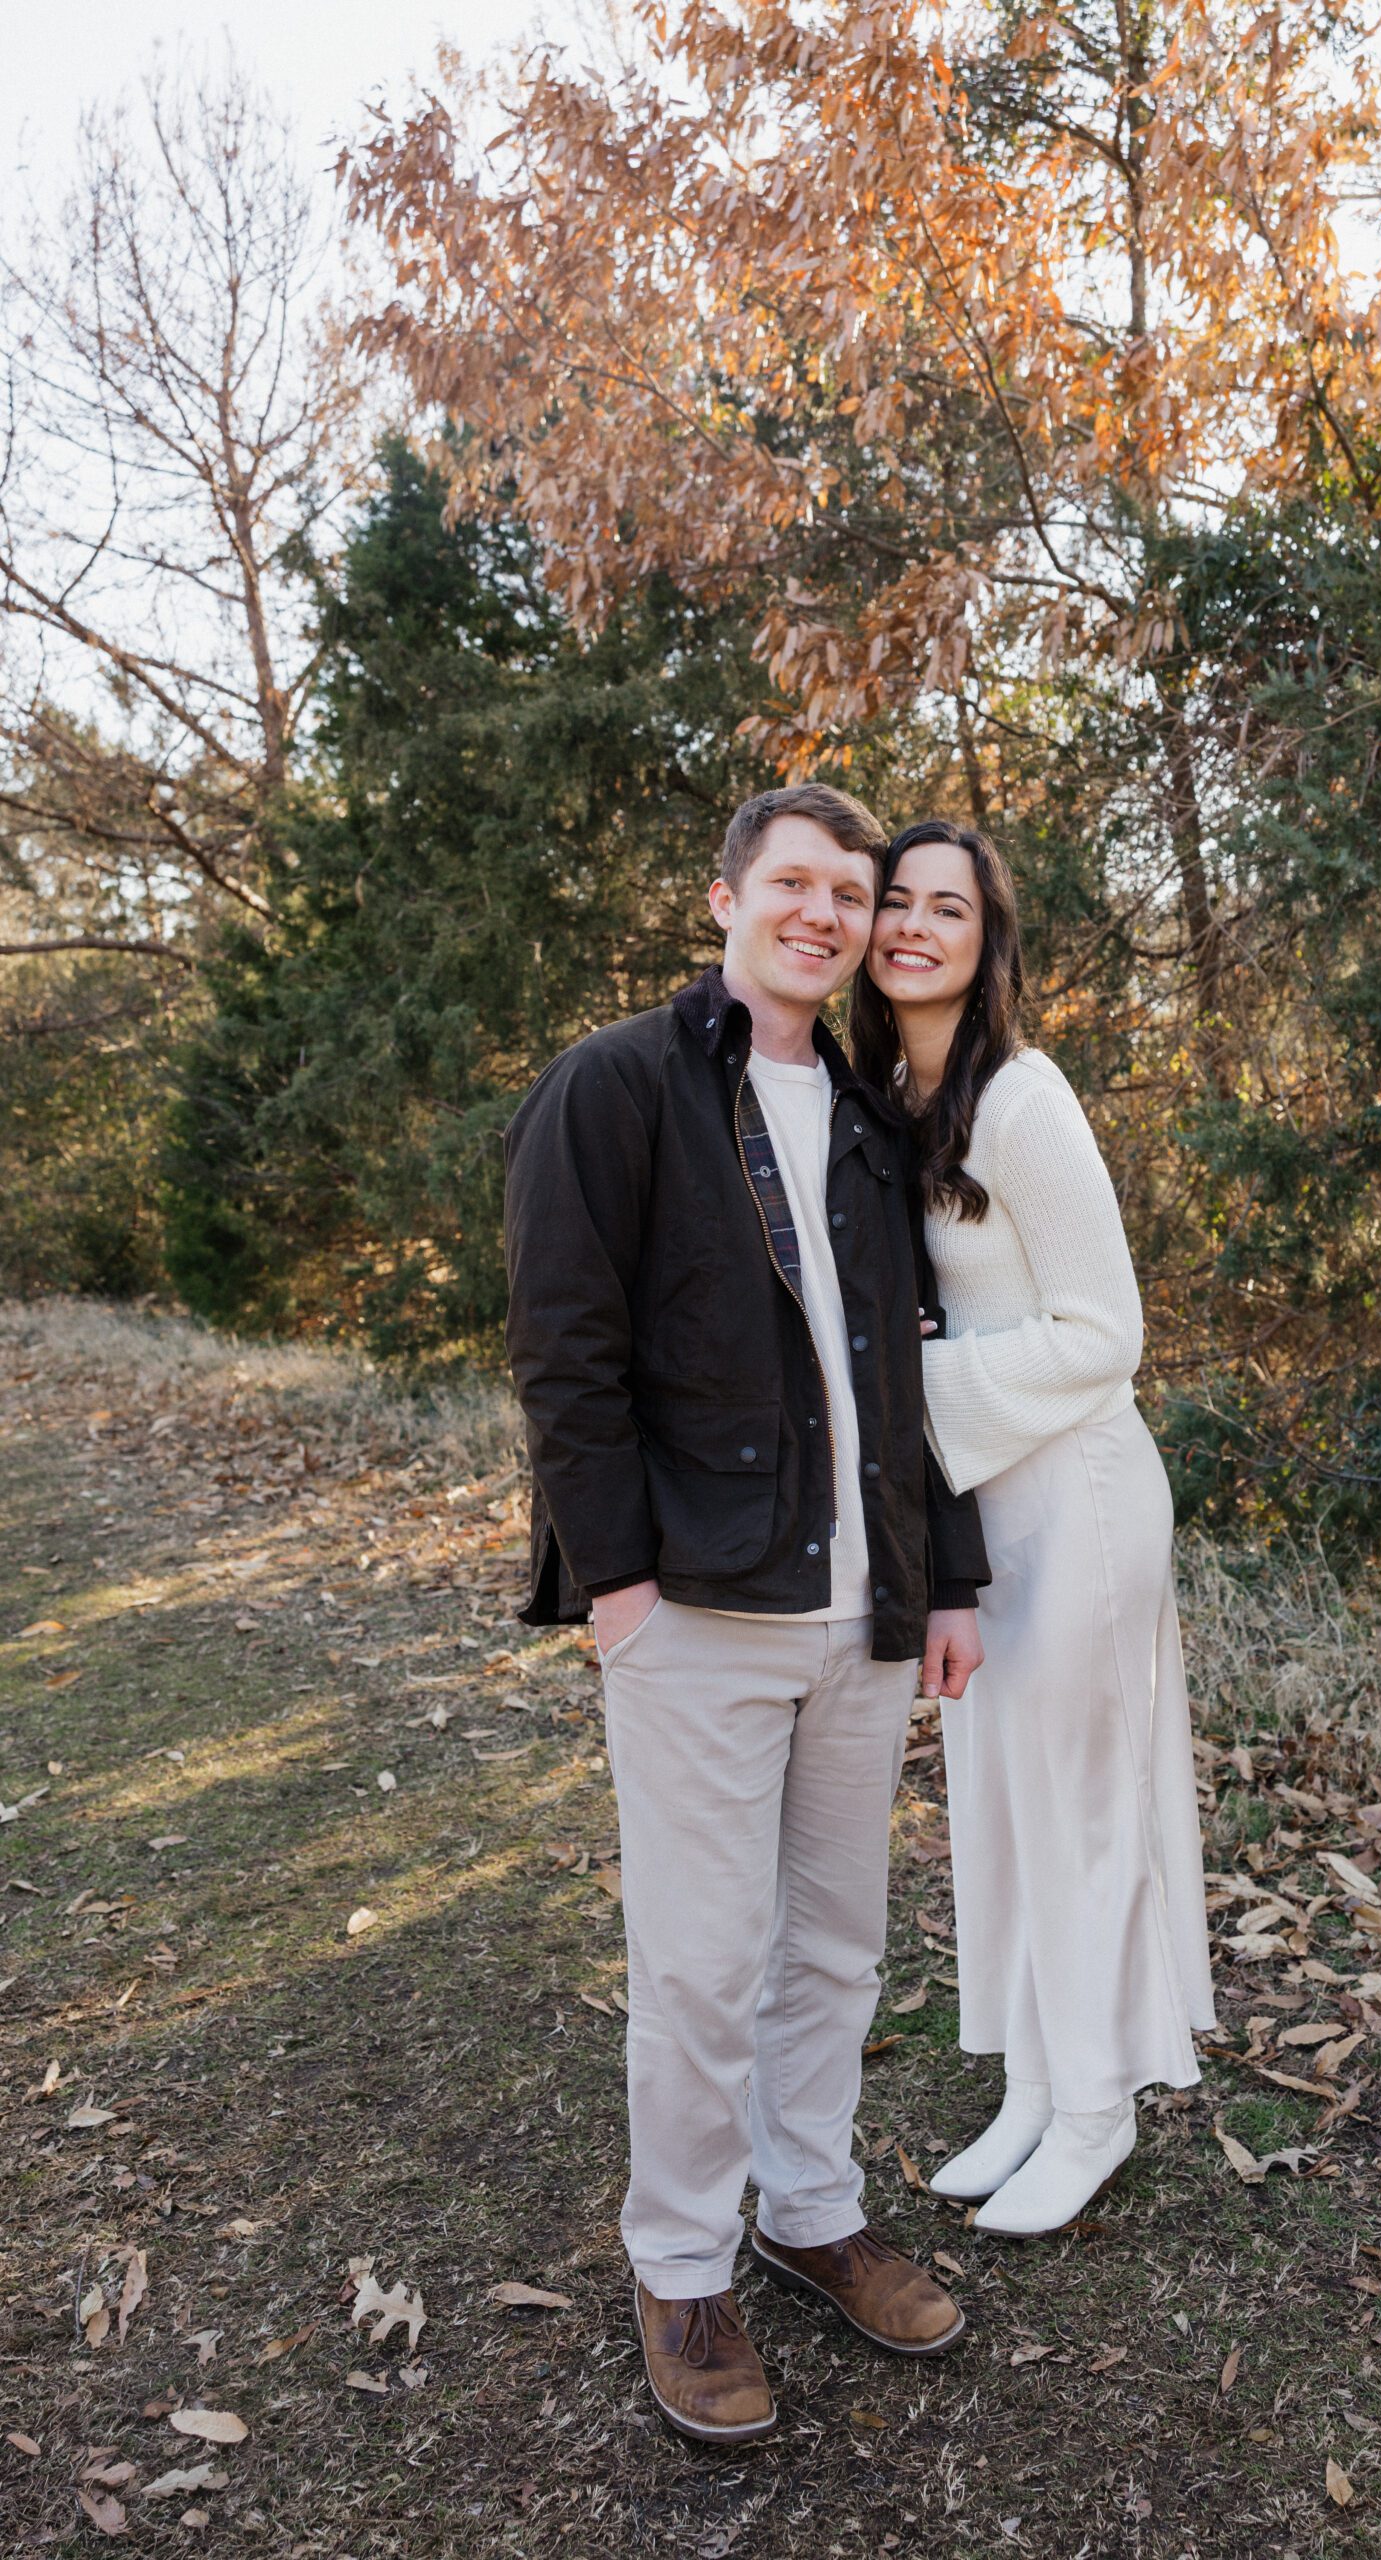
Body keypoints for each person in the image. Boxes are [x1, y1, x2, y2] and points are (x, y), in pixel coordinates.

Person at [503, 784, 989, 2445]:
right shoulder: (619, 1085)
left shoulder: (866, 1114)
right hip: (697, 1608)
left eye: (851, 893)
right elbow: (565, 1353)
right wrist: (620, 1582)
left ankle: (807, 2212)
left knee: (836, 1946)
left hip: (864, 1610)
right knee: (705, 1964)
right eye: (794, 881)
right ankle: (681, 2263)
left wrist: (950, 1580)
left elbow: (912, 1373)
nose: (827, 913)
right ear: (723, 896)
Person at [850, 818, 1216, 2236]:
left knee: (1082, 1803)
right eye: (898, 903)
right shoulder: (889, 1089)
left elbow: (1104, 1334)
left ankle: (1096, 2109)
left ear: (986, 940)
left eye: (950, 907)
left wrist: (898, 1387)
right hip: (972, 1510)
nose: (916, 926)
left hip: (1079, 1495)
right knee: (1001, 1801)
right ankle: (1027, 2080)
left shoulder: (1023, 1096)